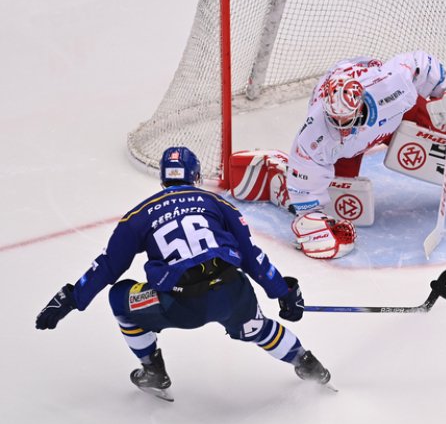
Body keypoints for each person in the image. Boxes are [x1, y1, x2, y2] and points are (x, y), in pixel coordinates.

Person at [35, 146, 332, 402]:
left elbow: (109, 265)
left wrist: (73, 297)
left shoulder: (139, 215)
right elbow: (252, 255)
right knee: (255, 327)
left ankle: (153, 370)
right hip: (232, 294)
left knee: (120, 298)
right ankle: (307, 364)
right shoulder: (217, 203)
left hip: (180, 306)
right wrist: (284, 292)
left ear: (164, 178)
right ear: (196, 177)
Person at [284, 51, 446, 259]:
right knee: (347, 204)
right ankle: (284, 181)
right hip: (345, 151)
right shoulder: (315, 134)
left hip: (395, 114)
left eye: (346, 121)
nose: (341, 130)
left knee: (442, 124)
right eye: (335, 121)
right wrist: (308, 214)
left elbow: (421, 64)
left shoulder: (390, 84)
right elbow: (307, 167)